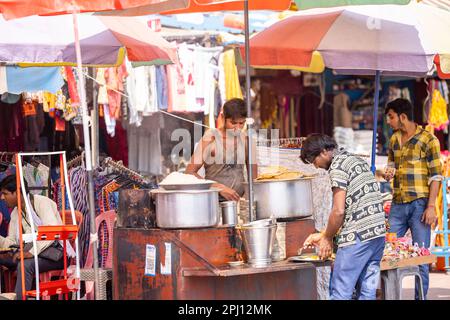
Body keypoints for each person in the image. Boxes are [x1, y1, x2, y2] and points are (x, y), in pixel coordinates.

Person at [301, 134, 386, 300]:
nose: (316, 166)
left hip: (358, 236)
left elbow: (339, 211)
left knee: (340, 292)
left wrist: (327, 238)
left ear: (325, 151)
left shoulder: (338, 166)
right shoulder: (353, 159)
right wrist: (324, 234)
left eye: (314, 160)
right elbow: (353, 206)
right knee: (367, 293)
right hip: (377, 234)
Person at [384, 98, 442, 300]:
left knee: (421, 257)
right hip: (398, 206)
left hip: (420, 205)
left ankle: (420, 298)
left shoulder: (429, 140)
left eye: (391, 117)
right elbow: (391, 164)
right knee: (388, 255)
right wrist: (388, 172)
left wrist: (431, 206)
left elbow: (436, 176)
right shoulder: (393, 139)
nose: (388, 122)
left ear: (403, 117)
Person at [0, 174, 71, 300]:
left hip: (55, 255)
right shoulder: (16, 213)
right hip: (30, 253)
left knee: (25, 265)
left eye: (5, 193)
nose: (2, 198)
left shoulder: (42, 203)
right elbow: (12, 242)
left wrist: (31, 252)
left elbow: (52, 233)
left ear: (17, 192)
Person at [185, 98, 257, 202]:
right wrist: (219, 188)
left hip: (239, 203)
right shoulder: (211, 137)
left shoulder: (247, 141)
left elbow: (254, 179)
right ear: (223, 117)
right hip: (212, 203)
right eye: (233, 123)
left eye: (241, 123)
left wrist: (245, 200)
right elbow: (189, 173)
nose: (237, 128)